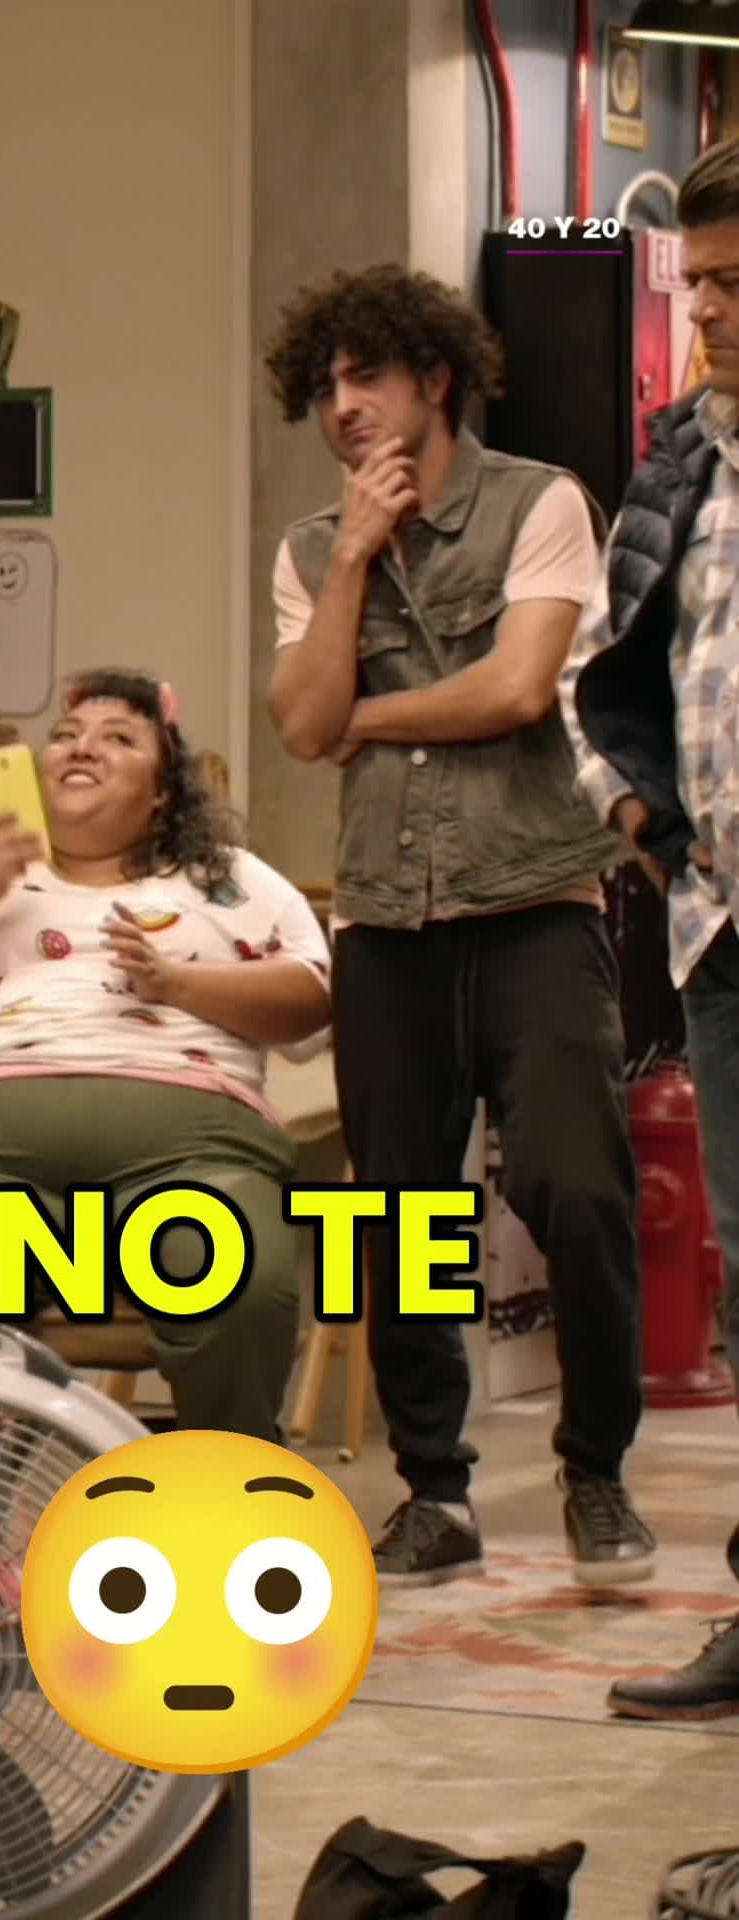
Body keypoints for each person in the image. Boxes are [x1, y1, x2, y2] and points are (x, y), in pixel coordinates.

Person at [265, 264, 654, 1587]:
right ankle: (436, 1490)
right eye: (325, 386)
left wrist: (359, 716)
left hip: (536, 901)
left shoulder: (541, 501)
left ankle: (596, 1470)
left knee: (577, 1189)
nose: (343, 407)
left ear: (435, 378)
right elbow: (298, 722)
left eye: (367, 376)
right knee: (398, 1217)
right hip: (386, 917)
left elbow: (517, 686)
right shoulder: (311, 550)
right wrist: (356, 556)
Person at [0, 668, 331, 1441]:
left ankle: (226, 1490)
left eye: (119, 739)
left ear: (163, 790)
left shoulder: (228, 878)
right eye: (67, 736)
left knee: (240, 1281)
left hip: (192, 1152)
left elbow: (311, 997)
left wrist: (177, 983)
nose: (82, 748)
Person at [561, 134, 739, 1716]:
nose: (715, 317)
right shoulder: (684, 458)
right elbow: (600, 681)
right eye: (704, 288)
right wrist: (646, 828)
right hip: (724, 936)